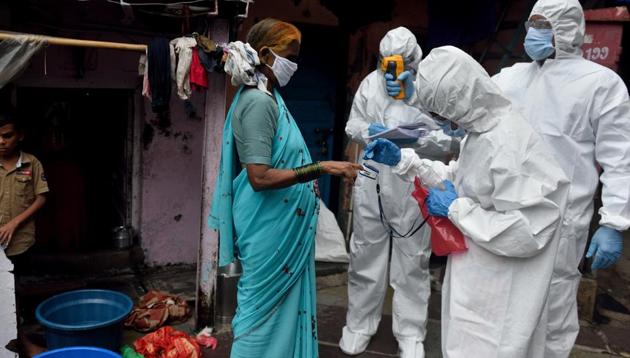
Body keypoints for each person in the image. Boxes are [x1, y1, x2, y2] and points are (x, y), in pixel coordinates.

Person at [374, 46, 570, 357]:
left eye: (443, 114)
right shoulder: (482, 132)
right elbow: (461, 180)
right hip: (475, 277)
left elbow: (530, 230)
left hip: (501, 293)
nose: (444, 124)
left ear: (460, 101)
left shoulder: (510, 142)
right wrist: (405, 161)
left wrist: (456, 209)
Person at [208, 18, 361, 358]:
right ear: (265, 53)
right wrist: (320, 167)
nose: (295, 64)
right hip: (268, 233)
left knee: (281, 317)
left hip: (281, 231)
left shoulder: (270, 95)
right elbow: (259, 178)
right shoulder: (259, 103)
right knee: (259, 321)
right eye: (290, 55)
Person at [492, 0, 630, 355]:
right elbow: (468, 109)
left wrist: (613, 222)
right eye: (531, 23)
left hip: (561, 220)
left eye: (543, 25)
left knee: (552, 310)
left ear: (566, 31)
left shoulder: (601, 84)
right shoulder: (511, 78)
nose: (532, 32)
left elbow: (619, 158)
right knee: (502, 307)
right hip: (506, 213)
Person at [341, 27, 459, 357]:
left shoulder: (430, 90)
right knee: (366, 256)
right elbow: (353, 126)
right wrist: (370, 132)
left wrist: (416, 139)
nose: (391, 71)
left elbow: (453, 139)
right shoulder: (370, 84)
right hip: (373, 180)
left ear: (414, 60)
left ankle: (410, 333)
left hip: (413, 182)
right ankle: (359, 325)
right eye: (386, 63)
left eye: (399, 63)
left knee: (412, 263)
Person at [0, 112, 49, 356]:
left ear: (20, 136)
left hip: (20, 243)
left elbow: (41, 197)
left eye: (6, 136)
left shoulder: (32, 163)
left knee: (14, 293)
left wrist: (14, 223)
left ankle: (18, 341)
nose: (1, 141)